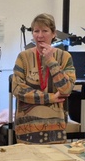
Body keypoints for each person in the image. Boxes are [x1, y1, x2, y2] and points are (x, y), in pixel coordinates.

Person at [10, 13, 75, 143]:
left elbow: (66, 89)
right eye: (36, 31)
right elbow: (17, 89)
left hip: (56, 128)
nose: (40, 35)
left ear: (53, 33)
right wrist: (50, 97)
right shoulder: (23, 57)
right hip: (27, 129)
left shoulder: (65, 57)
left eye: (45, 31)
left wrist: (51, 61)